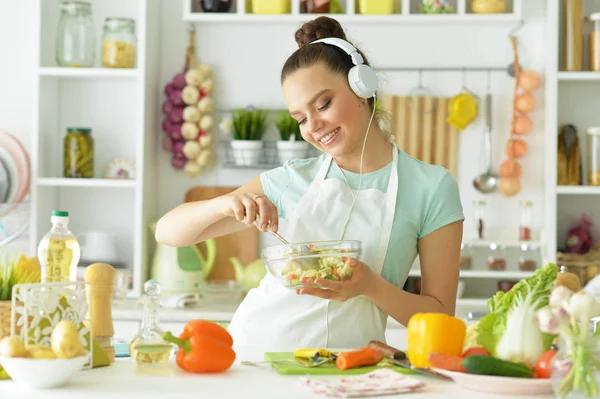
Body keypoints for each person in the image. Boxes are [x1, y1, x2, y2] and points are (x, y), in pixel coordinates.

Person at [155, 16, 464, 351]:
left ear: (363, 89)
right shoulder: (292, 178)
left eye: (323, 104)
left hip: (347, 367)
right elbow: (168, 233)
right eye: (300, 118)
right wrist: (222, 204)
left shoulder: (430, 187)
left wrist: (369, 285)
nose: (314, 126)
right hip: (255, 356)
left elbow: (441, 317)